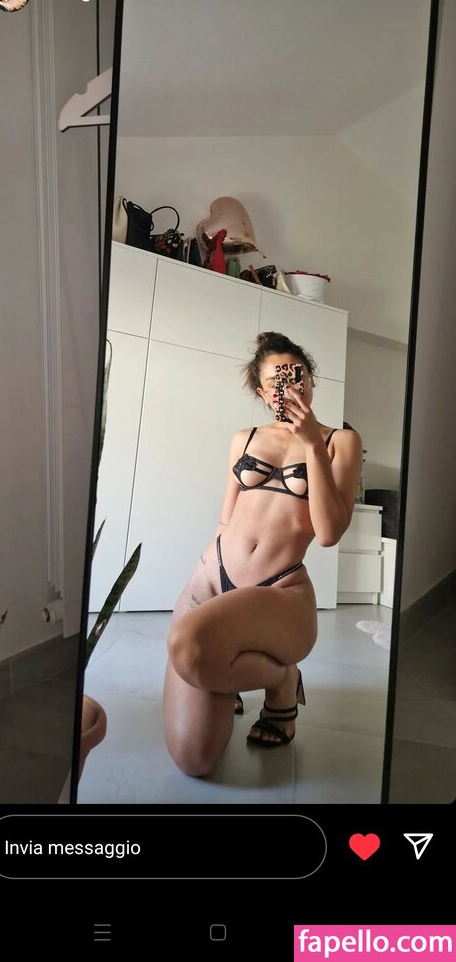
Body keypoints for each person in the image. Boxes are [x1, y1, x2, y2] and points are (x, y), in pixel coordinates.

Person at [163, 331, 363, 776]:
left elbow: (329, 533)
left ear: (311, 380)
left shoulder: (340, 442)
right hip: (215, 577)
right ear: (261, 391)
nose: (288, 388)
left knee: (191, 649)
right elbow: (225, 521)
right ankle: (228, 668)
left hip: (279, 590)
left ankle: (281, 678)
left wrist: (311, 443)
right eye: (276, 381)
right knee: (193, 759)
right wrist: (203, 584)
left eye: (297, 376)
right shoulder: (245, 438)